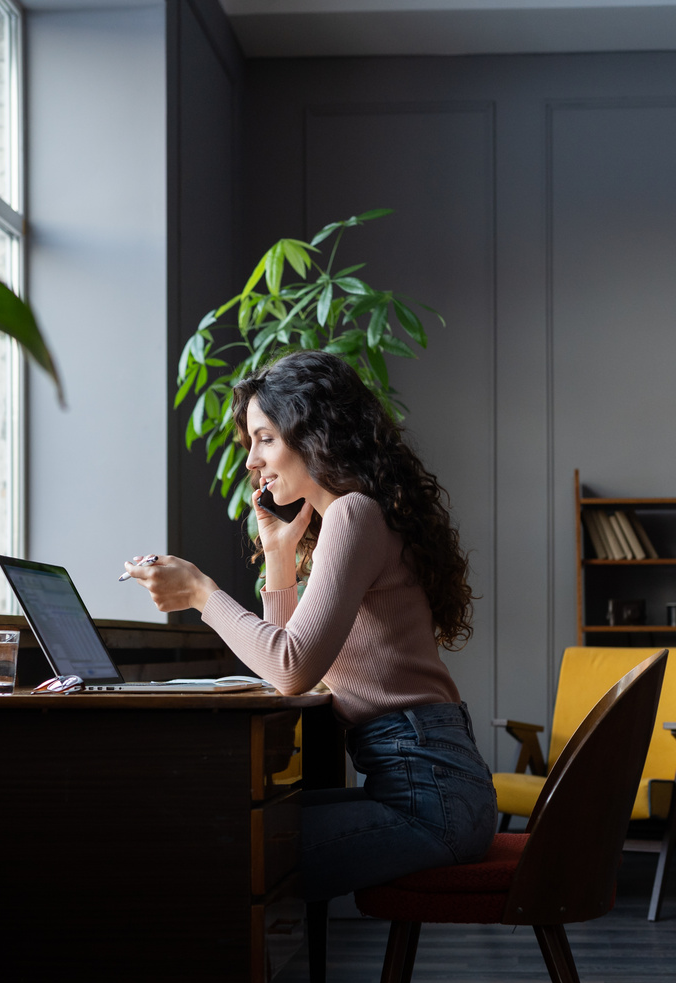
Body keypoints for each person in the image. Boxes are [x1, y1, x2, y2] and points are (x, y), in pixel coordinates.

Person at [121, 349, 496, 901]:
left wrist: (201, 593)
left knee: (215, 845)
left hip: (430, 800)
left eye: (265, 438)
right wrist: (278, 555)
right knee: (232, 829)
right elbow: (296, 669)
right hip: (437, 787)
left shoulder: (353, 513)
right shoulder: (361, 513)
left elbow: (290, 669)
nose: (252, 460)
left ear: (317, 434)